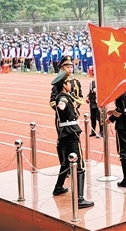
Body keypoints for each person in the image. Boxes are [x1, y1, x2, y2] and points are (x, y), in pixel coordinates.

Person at [51, 71, 94, 209]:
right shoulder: (63, 97)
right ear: (64, 85)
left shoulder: (64, 95)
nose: (70, 84)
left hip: (64, 133)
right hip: (70, 134)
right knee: (79, 165)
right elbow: (61, 104)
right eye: (68, 83)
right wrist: (61, 105)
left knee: (65, 163)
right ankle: (80, 199)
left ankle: (58, 187)